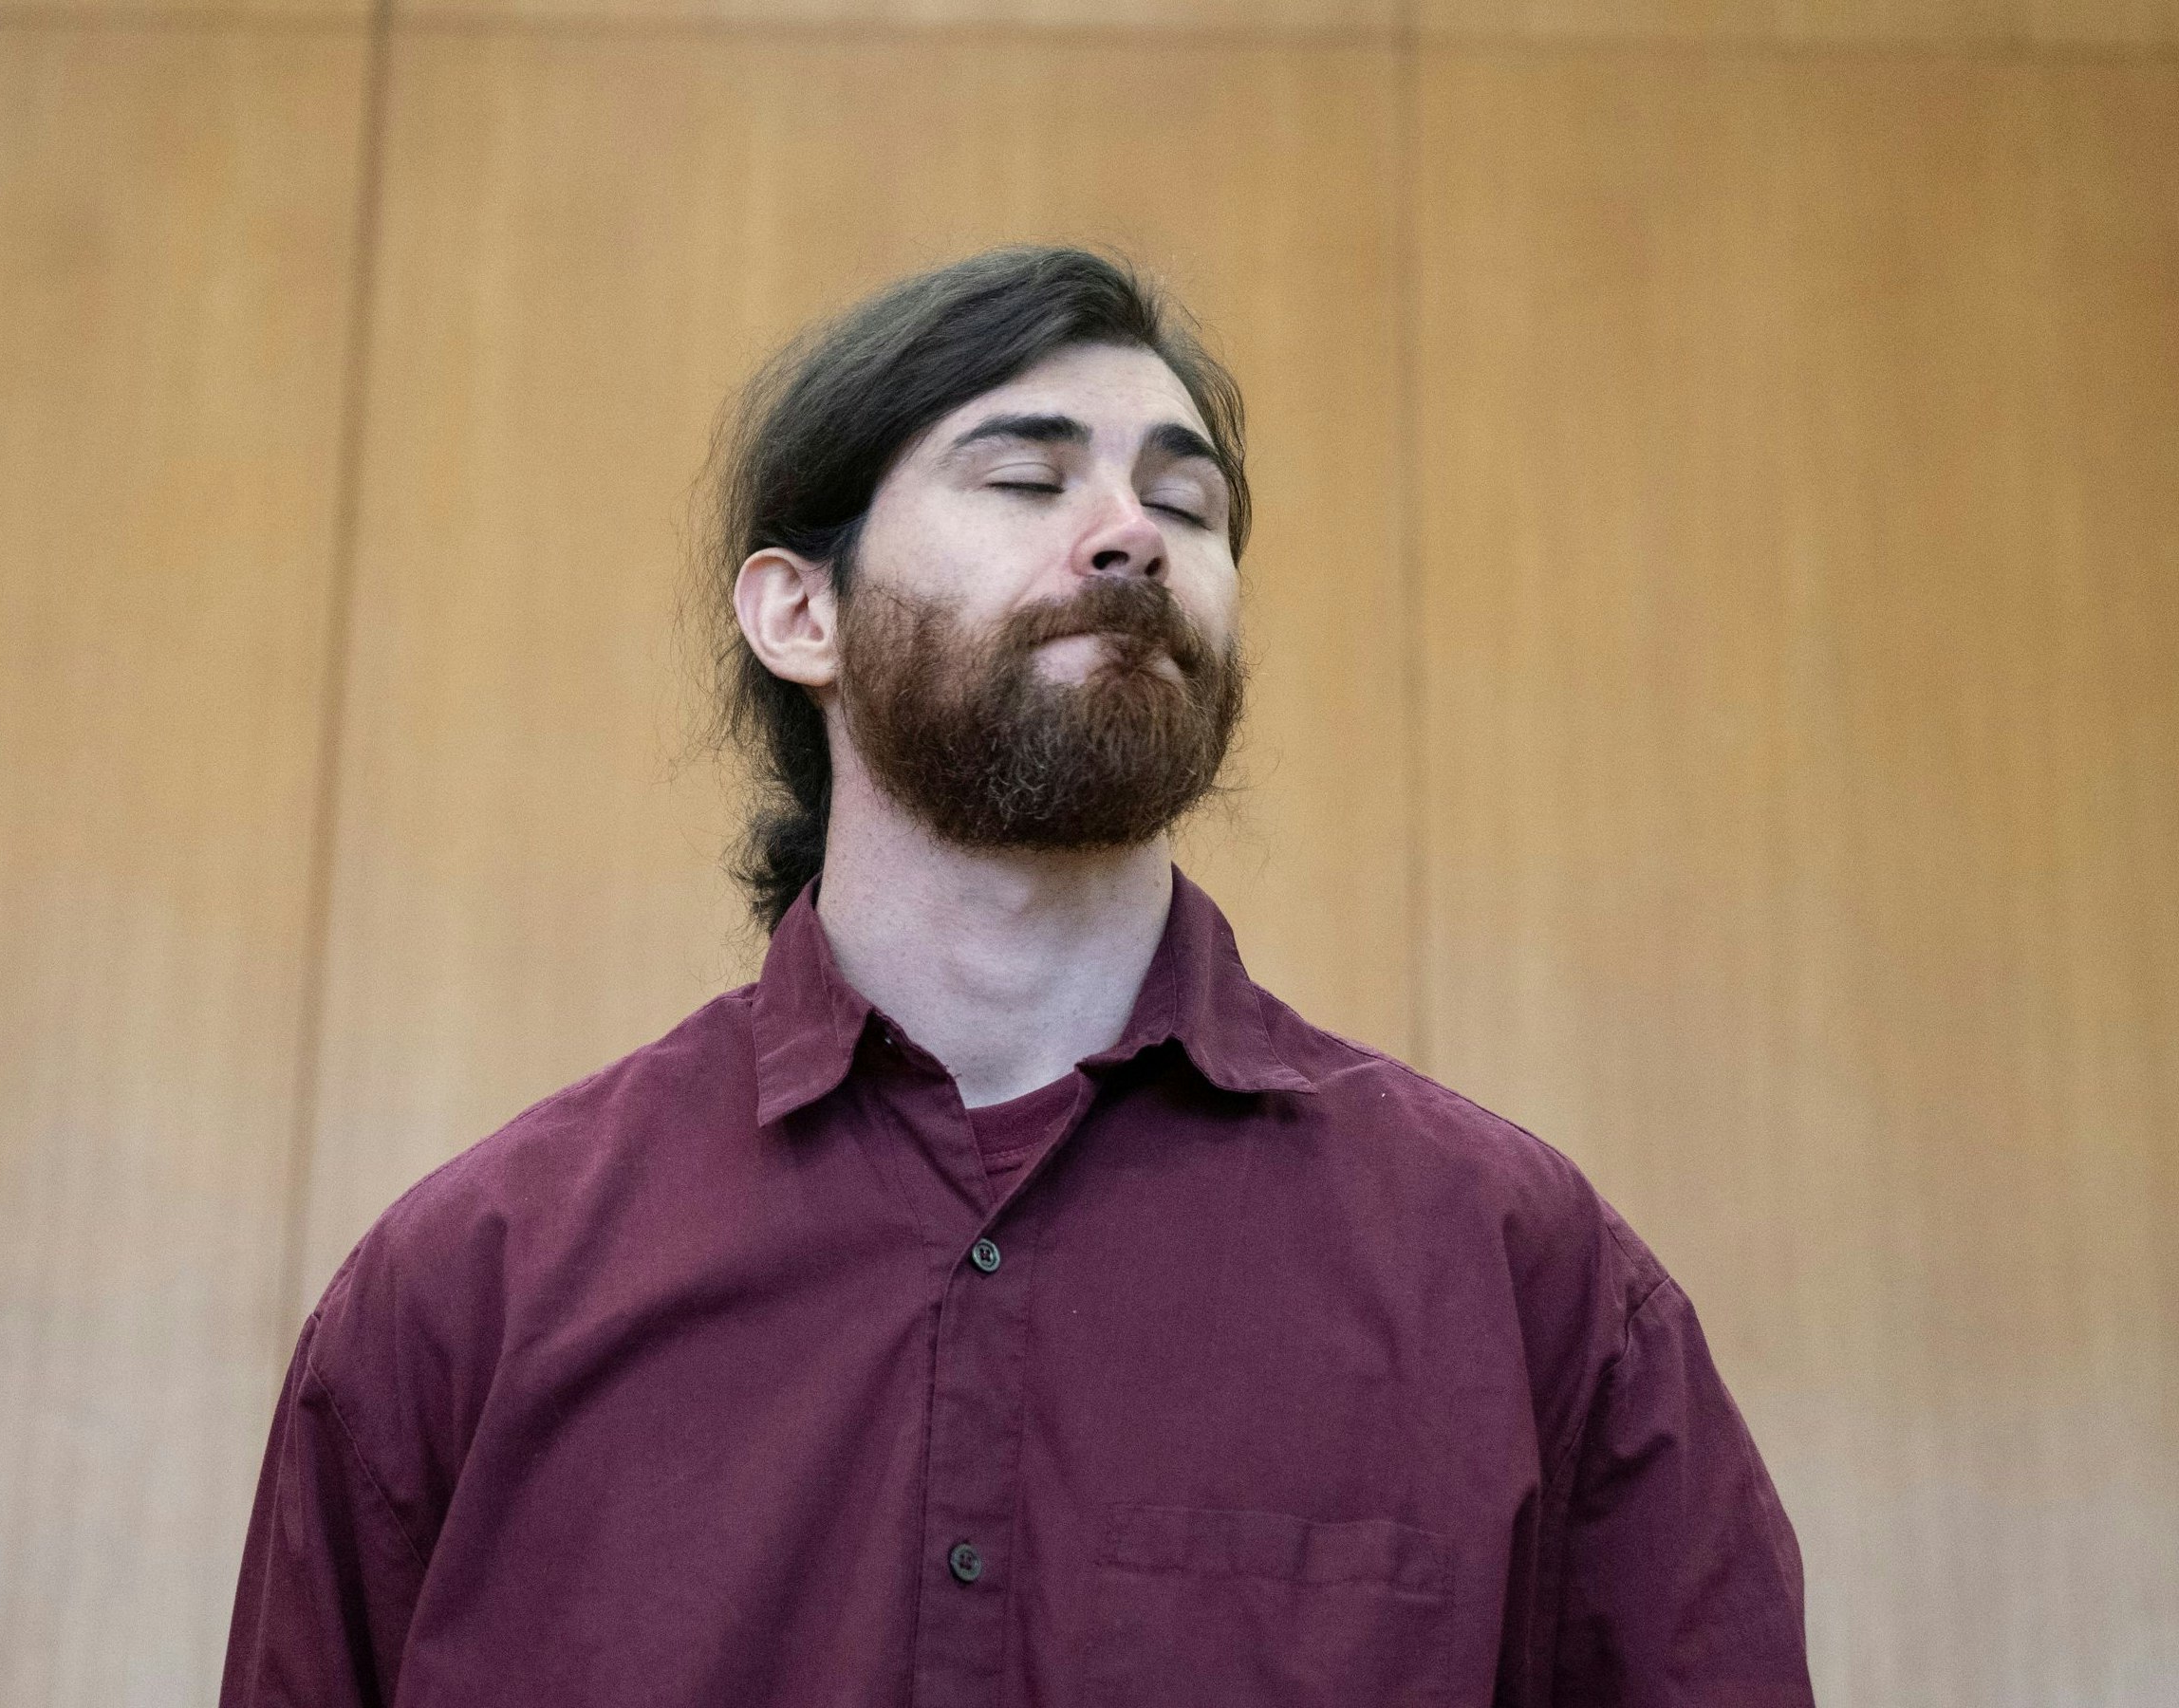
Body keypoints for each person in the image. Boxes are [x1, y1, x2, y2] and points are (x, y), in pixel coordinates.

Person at [220, 246, 1813, 1707]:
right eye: (1028, 476)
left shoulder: (1523, 1277)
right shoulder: (472, 1290)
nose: (1129, 532)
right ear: (799, 612)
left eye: (1186, 509)